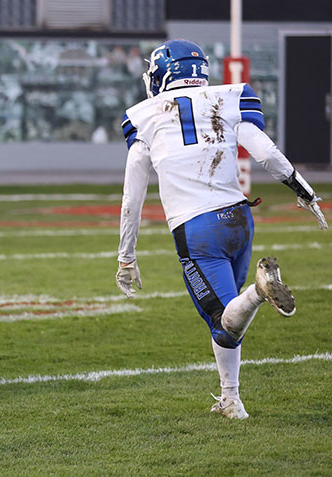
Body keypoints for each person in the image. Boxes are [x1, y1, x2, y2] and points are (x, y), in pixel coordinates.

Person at [114, 39, 327, 420]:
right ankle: (231, 400)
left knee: (224, 321)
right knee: (229, 318)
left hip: (197, 229)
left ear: (165, 71)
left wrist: (126, 256)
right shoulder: (230, 96)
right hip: (239, 219)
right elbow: (263, 152)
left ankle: (259, 292)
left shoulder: (145, 115)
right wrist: (304, 190)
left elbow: (133, 197)